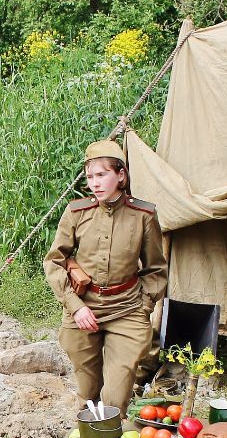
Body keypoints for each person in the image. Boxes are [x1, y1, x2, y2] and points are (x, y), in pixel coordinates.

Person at [44, 139, 167, 417]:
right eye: (90, 177)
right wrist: (75, 306)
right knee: (87, 393)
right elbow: (54, 261)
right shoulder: (76, 212)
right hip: (83, 309)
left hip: (127, 309)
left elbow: (156, 269)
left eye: (102, 175)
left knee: (114, 400)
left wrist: (143, 307)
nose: (95, 183)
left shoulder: (143, 215)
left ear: (120, 175)